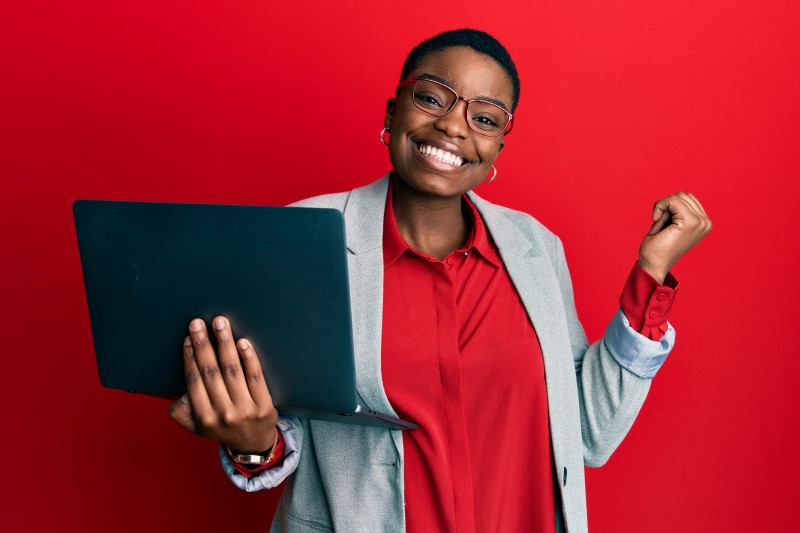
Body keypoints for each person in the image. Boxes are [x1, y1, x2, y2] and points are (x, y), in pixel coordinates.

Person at [167, 29, 711, 532]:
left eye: (486, 118)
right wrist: (254, 445)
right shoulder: (305, 238)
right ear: (393, 110)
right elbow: (279, 431)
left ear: (498, 147)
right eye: (432, 98)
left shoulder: (535, 248)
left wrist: (650, 275)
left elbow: (587, 432)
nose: (452, 126)